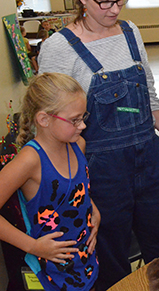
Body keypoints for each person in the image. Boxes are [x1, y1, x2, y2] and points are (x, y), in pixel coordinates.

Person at [38, 0, 159, 289]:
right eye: (104, 1)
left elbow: (147, 92)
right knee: (110, 252)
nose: (114, 9)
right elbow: (50, 119)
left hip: (149, 160)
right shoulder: (59, 48)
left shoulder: (130, 31)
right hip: (100, 169)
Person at [0, 73, 100, 290]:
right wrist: (33, 246)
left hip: (84, 263)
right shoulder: (30, 160)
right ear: (44, 119)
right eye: (74, 120)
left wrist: (94, 210)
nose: (82, 125)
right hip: (52, 276)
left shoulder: (77, 144)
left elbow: (76, 191)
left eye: (83, 117)